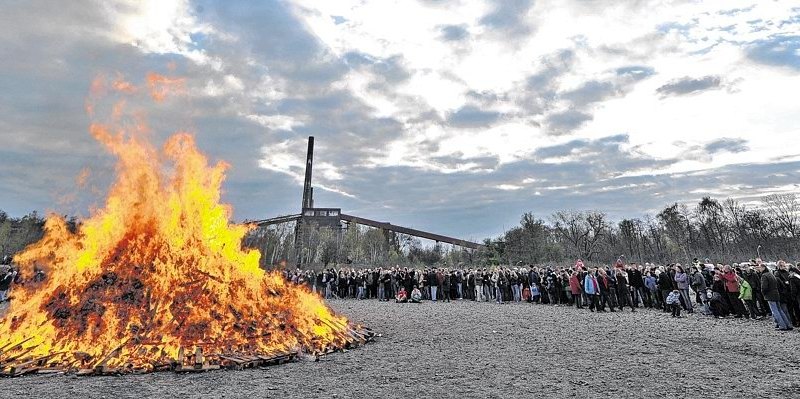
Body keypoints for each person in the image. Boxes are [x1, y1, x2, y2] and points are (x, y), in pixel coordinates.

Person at [758, 262, 792, 331]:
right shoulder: (771, 274)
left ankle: (782, 325)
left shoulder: (764, 276)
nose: (759, 269)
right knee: (780, 310)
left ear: (763, 268)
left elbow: (764, 287)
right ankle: (788, 324)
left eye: (760, 267)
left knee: (775, 311)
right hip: (776, 294)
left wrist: (763, 293)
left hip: (770, 295)